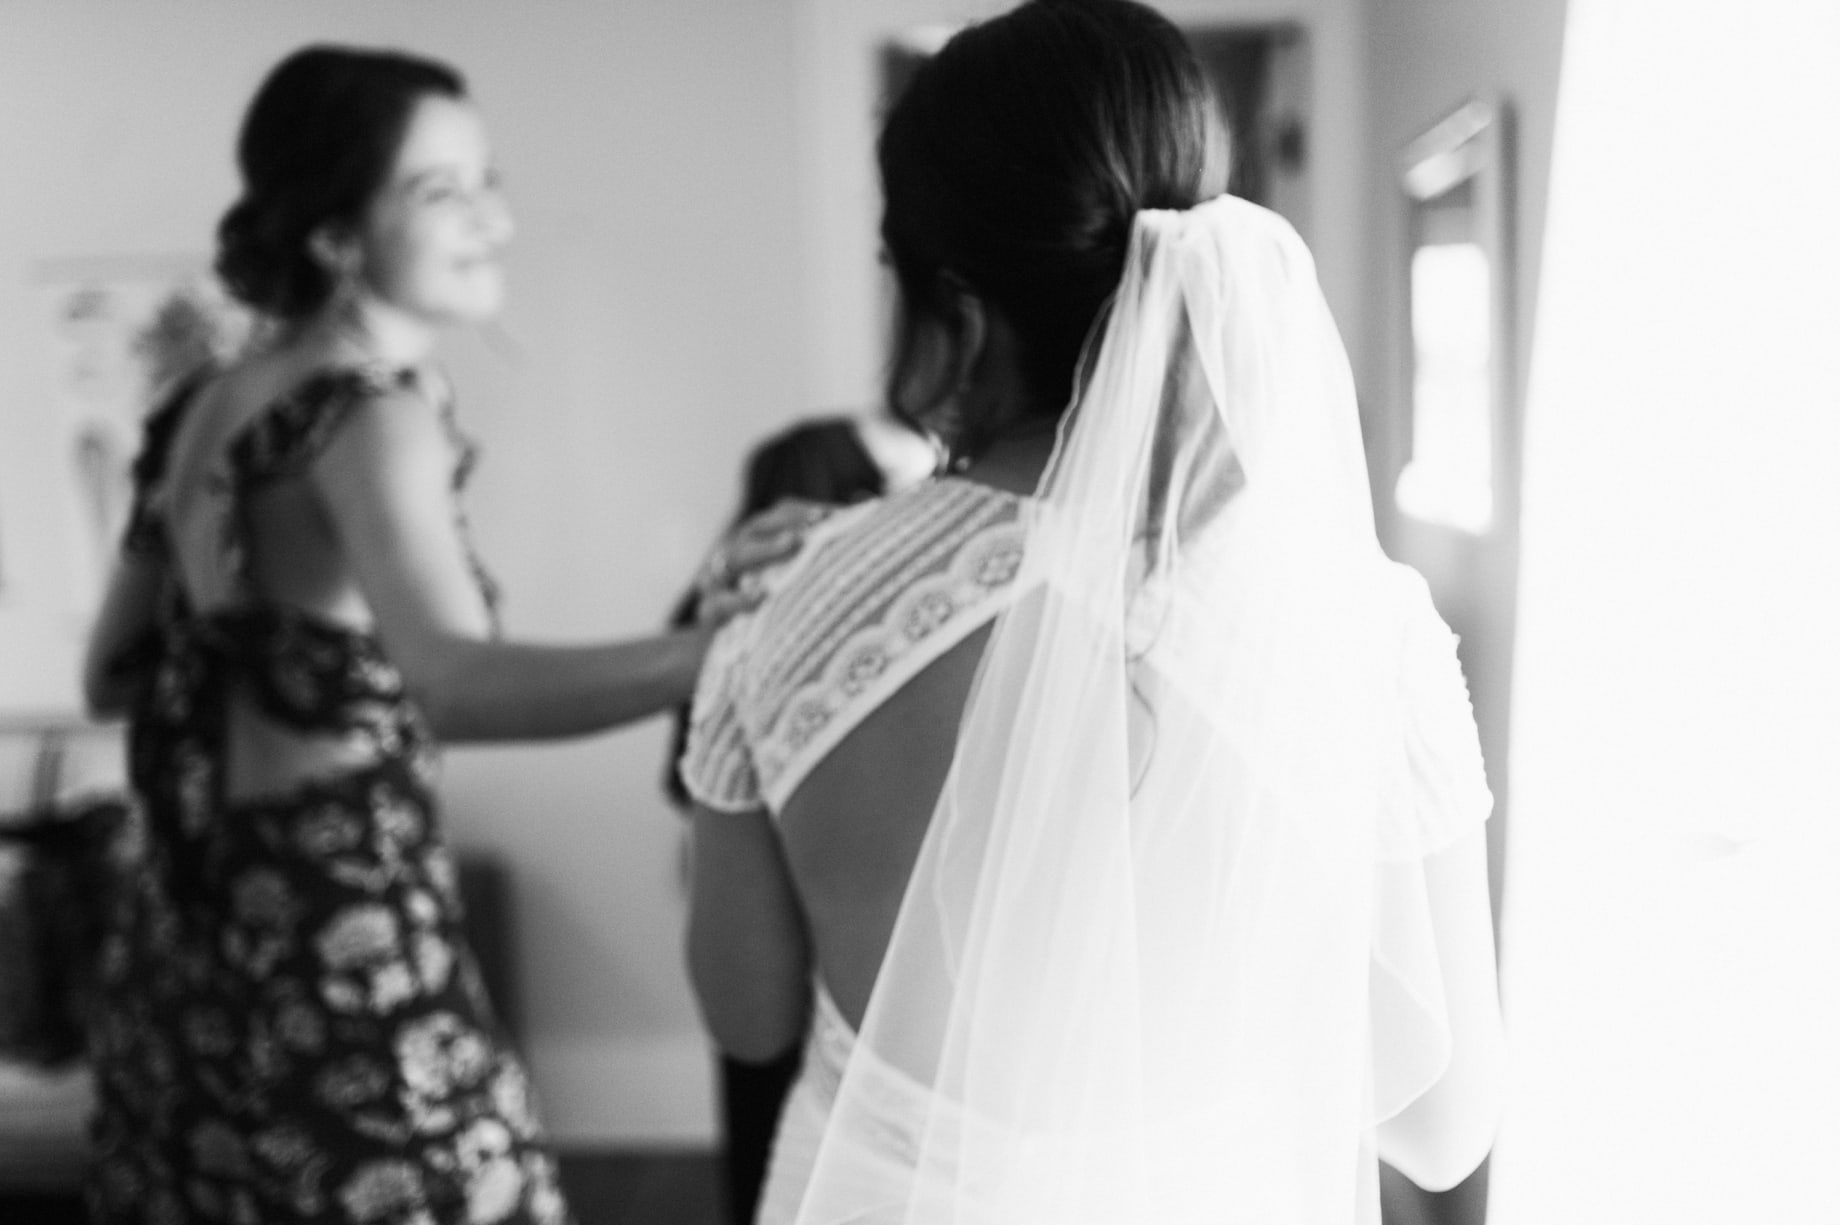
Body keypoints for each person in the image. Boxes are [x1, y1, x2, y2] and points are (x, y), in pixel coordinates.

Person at [679, 3, 1506, 1223]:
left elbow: (744, 1010)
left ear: (950, 307)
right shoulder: (1361, 630)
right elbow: (1440, 1125)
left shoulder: (786, 602)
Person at [78, 45, 796, 1225]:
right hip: (338, 933)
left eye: (486, 181)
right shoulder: (374, 414)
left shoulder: (205, 404)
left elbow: (112, 676)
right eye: (441, 191)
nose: (495, 221)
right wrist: (731, 645)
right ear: (335, 234)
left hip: (185, 938)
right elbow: (456, 685)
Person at [663, 414, 917, 1225]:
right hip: (870, 894)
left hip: (743, 877)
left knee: (757, 1083)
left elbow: (683, 778)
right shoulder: (894, 602)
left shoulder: (716, 602)